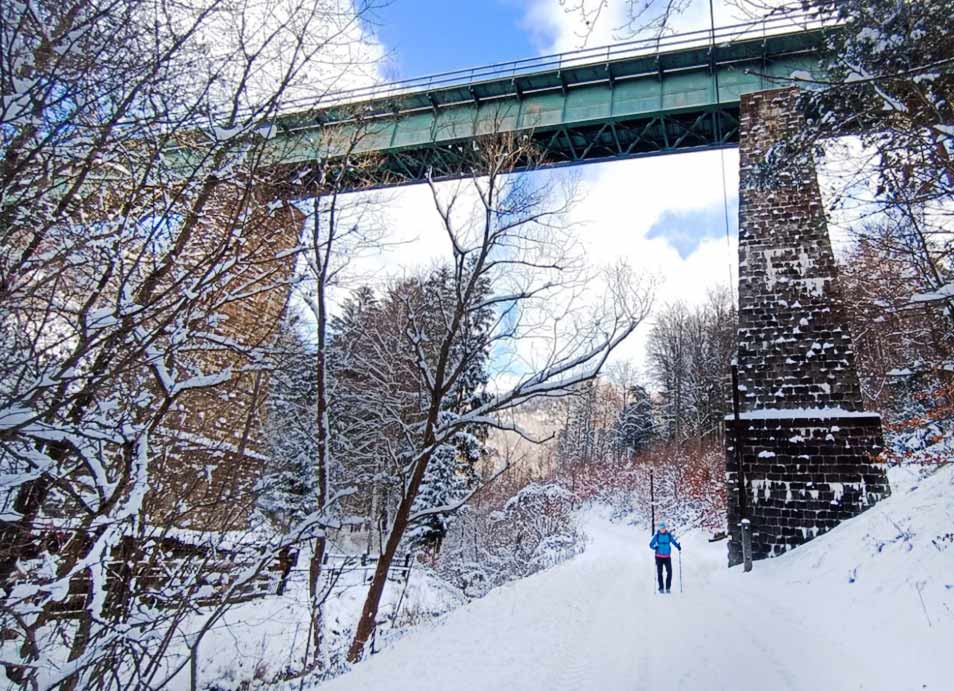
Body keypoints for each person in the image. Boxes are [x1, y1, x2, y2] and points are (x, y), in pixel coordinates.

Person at [649, 520, 681, 593]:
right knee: (660, 573)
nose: (663, 529)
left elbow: (673, 542)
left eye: (664, 528)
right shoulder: (657, 536)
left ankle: (668, 588)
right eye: (661, 528)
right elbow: (650, 544)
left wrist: (678, 546)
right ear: (659, 529)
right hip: (659, 557)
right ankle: (661, 588)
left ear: (665, 528)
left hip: (667, 557)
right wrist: (655, 547)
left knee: (669, 572)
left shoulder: (669, 535)